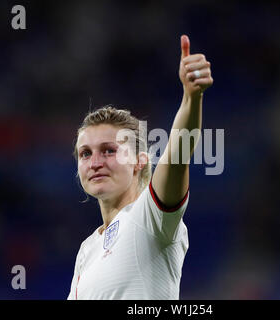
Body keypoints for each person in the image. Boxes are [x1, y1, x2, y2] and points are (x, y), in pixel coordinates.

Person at [67, 35, 213, 299]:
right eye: (85, 153)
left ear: (139, 160)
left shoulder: (150, 217)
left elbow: (178, 156)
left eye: (109, 150)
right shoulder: (87, 250)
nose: (96, 162)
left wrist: (191, 99)